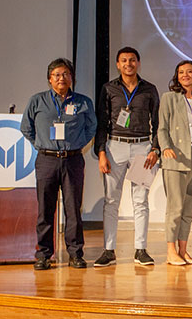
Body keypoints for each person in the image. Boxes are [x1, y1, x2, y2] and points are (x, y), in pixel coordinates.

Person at [20, 58, 97, 270]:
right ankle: (43, 255)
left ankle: (75, 254)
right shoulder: (37, 101)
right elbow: (26, 128)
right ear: (49, 79)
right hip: (46, 160)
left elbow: (92, 127)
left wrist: (78, 144)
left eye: (65, 74)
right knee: (45, 210)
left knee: (73, 210)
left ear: (72, 78)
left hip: (73, 160)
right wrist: (41, 144)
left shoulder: (83, 102)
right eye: (57, 75)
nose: (61, 78)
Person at [93, 46, 161, 268]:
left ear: (138, 63)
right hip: (115, 148)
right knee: (111, 200)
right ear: (117, 64)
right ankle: (109, 250)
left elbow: (158, 123)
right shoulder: (108, 89)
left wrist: (155, 149)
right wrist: (102, 152)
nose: (128, 64)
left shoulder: (149, 89)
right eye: (123, 60)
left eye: (132, 60)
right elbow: (101, 122)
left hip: (142, 149)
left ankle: (140, 249)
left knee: (140, 201)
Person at [157, 60, 192, 266]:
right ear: (177, 76)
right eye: (181, 72)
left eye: (189, 72)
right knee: (175, 207)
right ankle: (170, 251)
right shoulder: (169, 98)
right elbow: (162, 128)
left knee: (189, 208)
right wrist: (165, 147)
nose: (185, 75)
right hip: (176, 157)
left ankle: (183, 250)